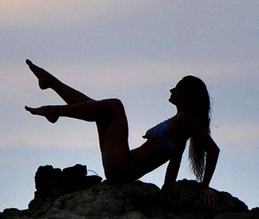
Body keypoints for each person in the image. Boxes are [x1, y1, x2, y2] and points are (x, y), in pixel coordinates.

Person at [24, 61, 220, 202]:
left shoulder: (185, 120)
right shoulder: (179, 126)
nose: (171, 90)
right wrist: (166, 193)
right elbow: (173, 164)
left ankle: (54, 110)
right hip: (121, 168)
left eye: (176, 88)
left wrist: (204, 185)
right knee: (98, 109)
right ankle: (52, 83)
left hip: (123, 167)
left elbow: (213, 150)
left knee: (114, 106)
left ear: (187, 96)